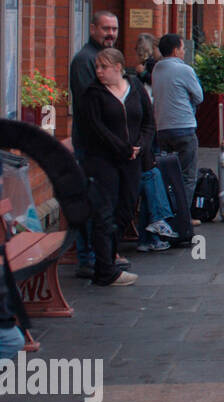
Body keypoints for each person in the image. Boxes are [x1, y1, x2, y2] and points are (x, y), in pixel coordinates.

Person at [76, 49, 155, 287]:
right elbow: (95, 128)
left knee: (126, 208)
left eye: (104, 67)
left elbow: (148, 122)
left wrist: (140, 146)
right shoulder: (93, 93)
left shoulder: (135, 87)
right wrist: (122, 148)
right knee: (104, 213)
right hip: (103, 161)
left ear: (119, 67)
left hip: (131, 160)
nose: (99, 71)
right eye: (97, 67)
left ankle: (109, 259)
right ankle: (105, 269)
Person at [68, 11, 119, 279]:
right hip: (90, 146)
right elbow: (93, 106)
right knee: (92, 201)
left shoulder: (101, 58)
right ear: (92, 29)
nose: (110, 33)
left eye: (114, 29)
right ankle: (87, 258)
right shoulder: (85, 60)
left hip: (103, 146)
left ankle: (101, 255)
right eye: (105, 29)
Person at [151, 33, 204, 211]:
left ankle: (167, 214)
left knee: (167, 175)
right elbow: (199, 97)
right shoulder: (185, 70)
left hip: (162, 129)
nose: (184, 51)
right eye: (182, 48)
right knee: (187, 176)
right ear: (175, 50)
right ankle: (182, 218)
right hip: (184, 128)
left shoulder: (156, 69)